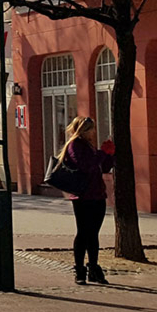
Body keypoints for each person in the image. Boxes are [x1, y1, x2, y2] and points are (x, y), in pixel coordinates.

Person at [56, 116, 115, 284]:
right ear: (83, 130)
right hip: (82, 196)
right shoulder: (74, 146)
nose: (93, 132)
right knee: (83, 232)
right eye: (91, 129)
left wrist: (110, 155)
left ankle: (93, 267)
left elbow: (102, 167)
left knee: (93, 234)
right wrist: (102, 153)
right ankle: (79, 269)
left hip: (97, 194)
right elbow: (86, 166)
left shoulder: (89, 146)